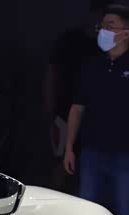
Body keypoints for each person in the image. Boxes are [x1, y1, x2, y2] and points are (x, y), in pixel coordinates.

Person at [64, 4, 129, 215]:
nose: (104, 31)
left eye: (110, 26)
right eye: (102, 26)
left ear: (125, 32)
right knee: (88, 213)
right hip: (92, 152)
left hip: (125, 154)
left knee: (125, 214)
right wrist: (69, 147)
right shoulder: (92, 65)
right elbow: (77, 108)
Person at [45, 0, 108, 192]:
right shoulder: (69, 40)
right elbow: (52, 72)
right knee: (60, 158)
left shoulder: (107, 48)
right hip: (64, 110)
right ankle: (56, 196)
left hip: (96, 115)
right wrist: (49, 105)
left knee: (91, 161)